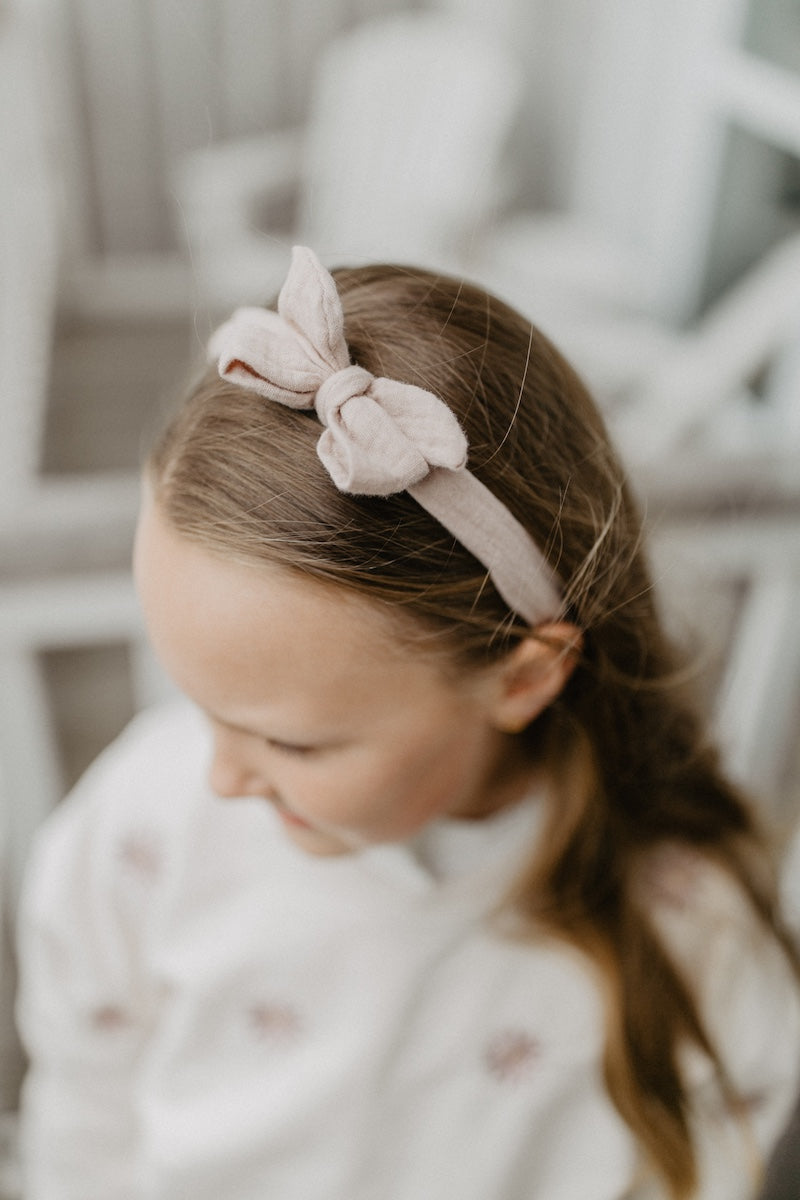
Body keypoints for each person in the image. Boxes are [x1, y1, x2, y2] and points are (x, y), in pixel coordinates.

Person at [16, 247, 800, 1200]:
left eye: (291, 742)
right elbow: (84, 1108)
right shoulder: (145, 833)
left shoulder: (692, 934)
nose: (222, 775)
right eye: (198, 706)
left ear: (522, 680)